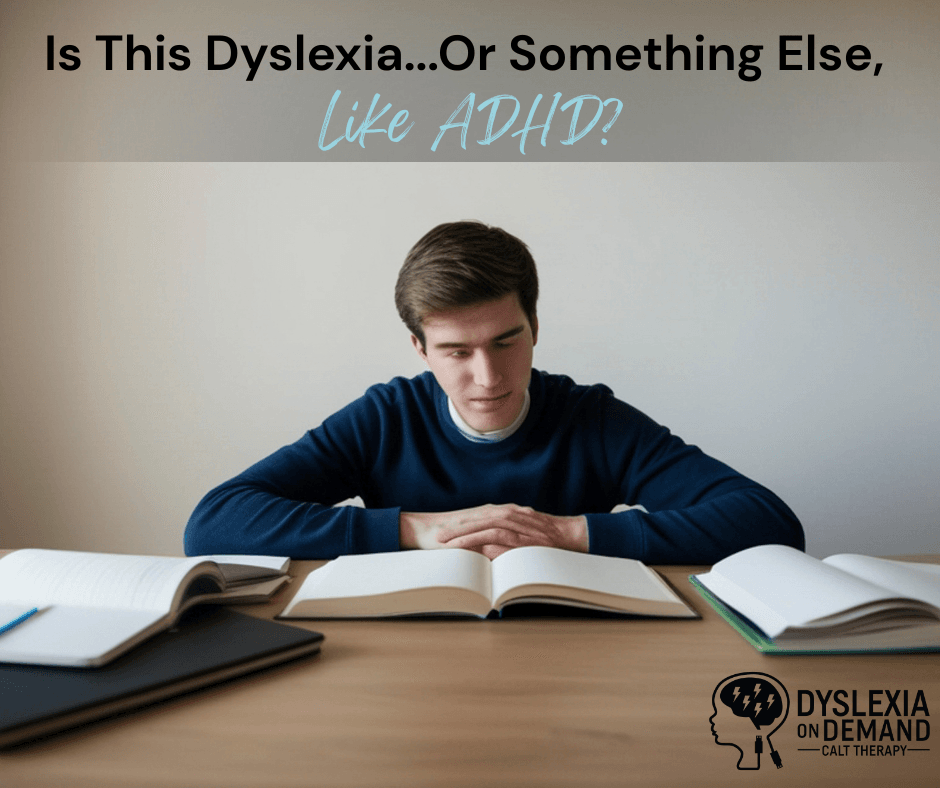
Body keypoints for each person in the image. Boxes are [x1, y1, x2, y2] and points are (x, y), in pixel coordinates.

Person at [184, 221, 804, 562]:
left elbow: (769, 523)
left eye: (507, 342)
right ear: (420, 350)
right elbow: (213, 523)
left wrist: (566, 534)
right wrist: (419, 530)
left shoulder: (593, 419)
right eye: (456, 352)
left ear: (535, 327)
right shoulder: (385, 417)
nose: (487, 377)